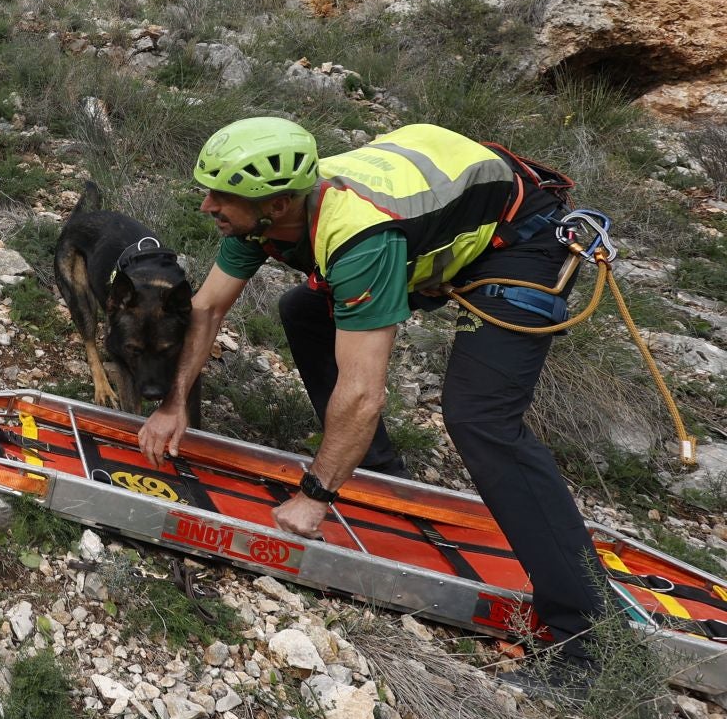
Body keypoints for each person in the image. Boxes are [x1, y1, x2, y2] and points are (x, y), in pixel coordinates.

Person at [139, 117, 608, 685]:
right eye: (208, 191)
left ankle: (587, 642)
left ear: (280, 204)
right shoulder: (258, 220)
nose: (208, 206)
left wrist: (314, 496)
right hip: (434, 219)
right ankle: (380, 474)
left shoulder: (358, 237)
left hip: (519, 240)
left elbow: (364, 392)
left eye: (223, 197)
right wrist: (173, 404)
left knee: (481, 420)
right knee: (304, 311)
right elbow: (208, 309)